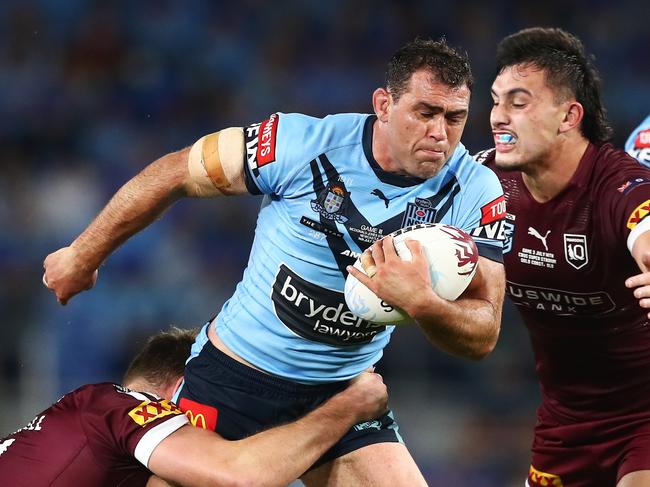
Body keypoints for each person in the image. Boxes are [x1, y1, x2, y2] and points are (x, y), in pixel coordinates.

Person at [43, 38, 506, 485]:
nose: (439, 133)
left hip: (344, 394)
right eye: (424, 113)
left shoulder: (476, 190)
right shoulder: (299, 144)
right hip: (234, 379)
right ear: (384, 104)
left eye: (455, 118)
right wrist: (81, 255)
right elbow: (175, 172)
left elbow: (484, 333)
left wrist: (422, 302)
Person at [478, 27, 650, 487]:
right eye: (495, 101)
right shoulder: (482, 183)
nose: (497, 116)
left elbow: (645, 227)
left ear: (569, 116)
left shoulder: (617, 184)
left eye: (518, 102)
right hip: (565, 425)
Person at [0, 326, 388, 487]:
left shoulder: (58, 436)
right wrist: (349, 405)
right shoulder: (114, 407)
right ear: (184, 384)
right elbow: (238, 475)